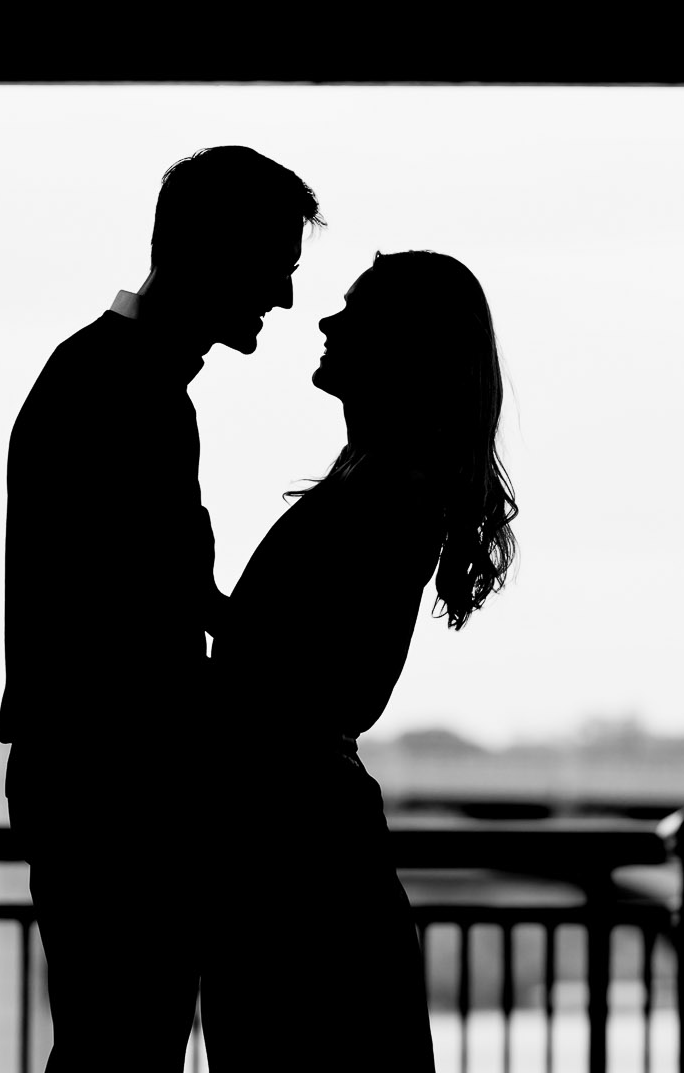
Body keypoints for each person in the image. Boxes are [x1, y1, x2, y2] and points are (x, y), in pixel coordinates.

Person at [0, 145, 323, 1070]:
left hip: (93, 774)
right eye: (275, 270)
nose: (286, 300)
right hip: (116, 783)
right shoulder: (125, 393)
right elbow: (144, 619)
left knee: (116, 1042)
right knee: (125, 1045)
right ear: (209, 251)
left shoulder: (104, 378)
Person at [201, 250, 518, 1071]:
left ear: (400, 347)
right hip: (306, 841)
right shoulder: (387, 483)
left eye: (355, 312)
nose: (327, 322)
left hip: (292, 854)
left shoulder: (387, 488)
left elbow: (318, 677)